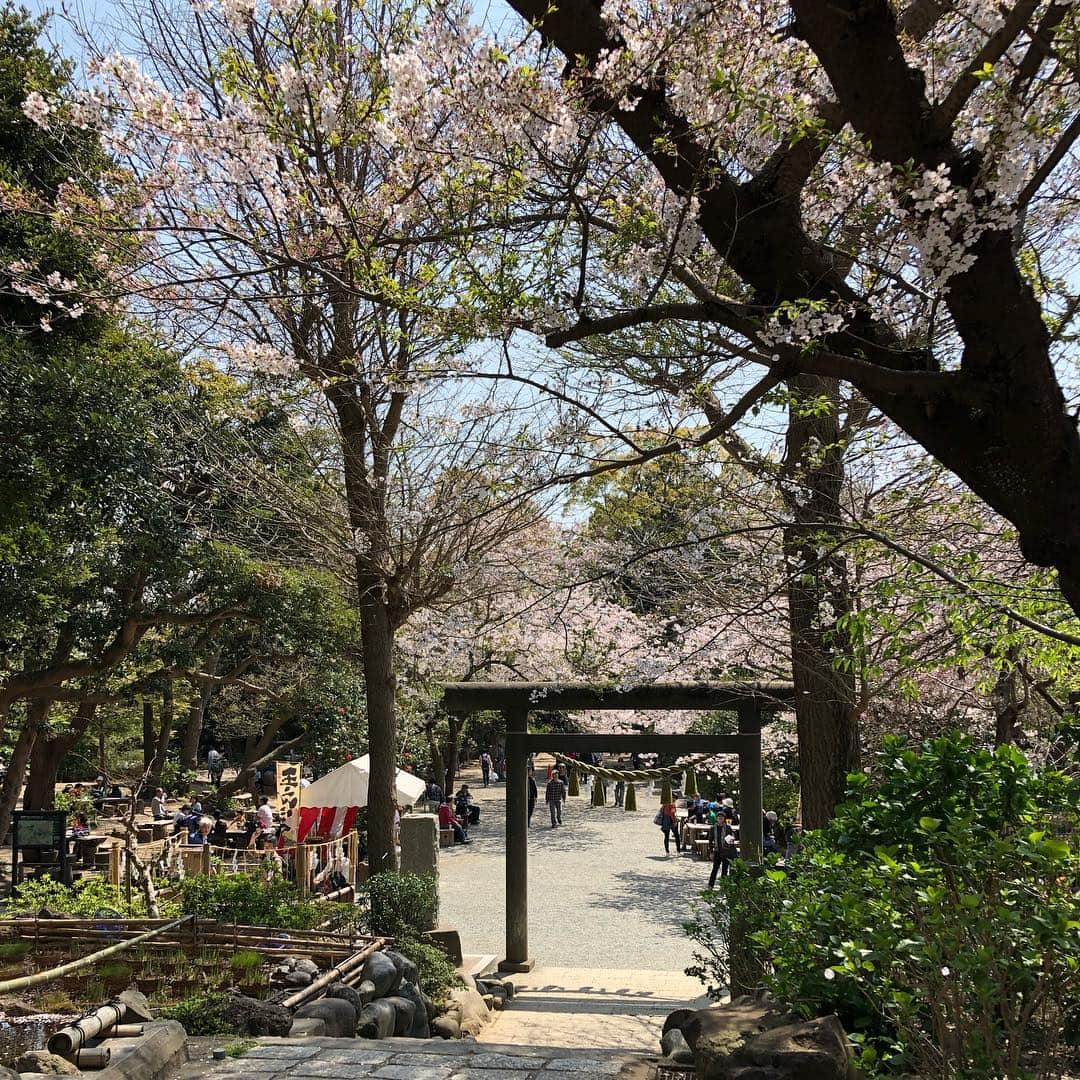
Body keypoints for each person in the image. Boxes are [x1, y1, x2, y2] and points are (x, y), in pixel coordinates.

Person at [708, 810, 740, 888]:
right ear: (716, 818)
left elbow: (732, 839)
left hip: (726, 851)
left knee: (725, 869)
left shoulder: (728, 827)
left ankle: (723, 886)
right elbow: (710, 840)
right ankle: (710, 885)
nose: (720, 819)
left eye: (722, 818)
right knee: (715, 868)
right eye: (719, 817)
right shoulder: (713, 828)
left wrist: (731, 850)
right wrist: (711, 852)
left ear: (724, 819)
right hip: (717, 851)